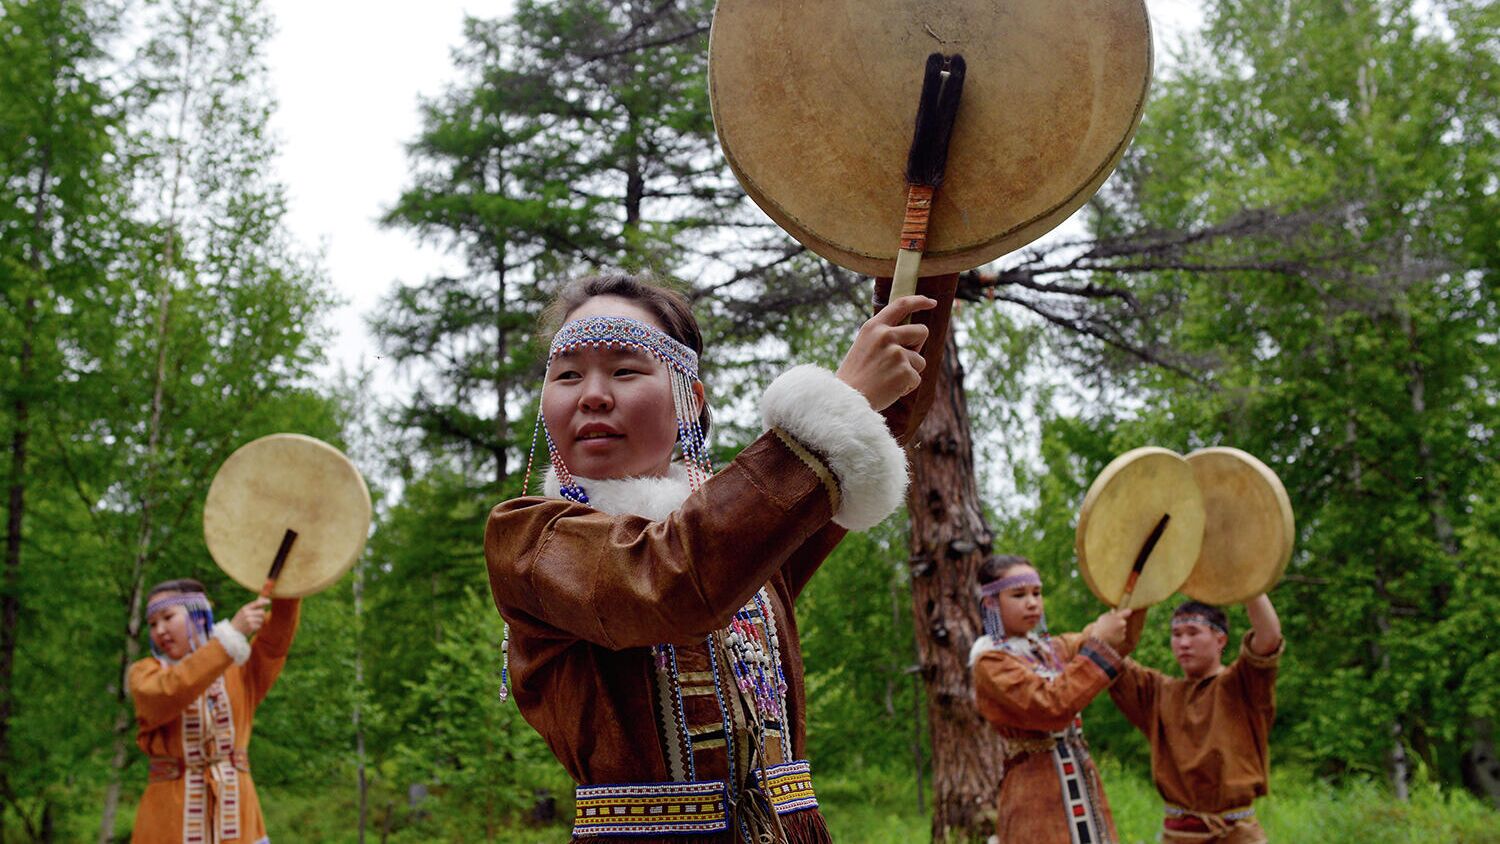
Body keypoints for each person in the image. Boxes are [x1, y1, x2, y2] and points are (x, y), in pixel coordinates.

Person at [484, 272, 955, 842]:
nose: (592, 394)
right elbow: (670, 582)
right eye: (566, 375)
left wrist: (931, 253)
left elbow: (890, 413)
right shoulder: (529, 540)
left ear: (690, 397)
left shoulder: (747, 523)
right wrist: (839, 405)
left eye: (625, 369)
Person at [970, 554, 1135, 844]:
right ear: (991, 604)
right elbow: (1051, 706)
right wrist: (1099, 642)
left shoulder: (1050, 649)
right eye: (1019, 595)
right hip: (1034, 795)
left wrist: (1136, 590)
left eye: (1037, 593)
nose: (1032, 602)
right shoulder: (991, 664)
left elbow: (1114, 640)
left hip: (1082, 787)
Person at [129, 579, 300, 844]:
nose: (159, 630)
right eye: (152, 624)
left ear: (198, 616)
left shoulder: (240, 669)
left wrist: (291, 583)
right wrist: (230, 636)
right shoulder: (144, 675)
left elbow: (276, 638)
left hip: (238, 816)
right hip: (168, 820)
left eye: (167, 617)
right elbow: (171, 690)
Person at [1107, 596, 1284, 843]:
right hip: (1178, 836)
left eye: (1193, 632)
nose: (1183, 643)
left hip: (1236, 836)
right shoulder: (1157, 693)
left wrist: (1250, 585)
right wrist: (1137, 591)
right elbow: (1107, 653)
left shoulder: (1242, 684)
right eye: (1176, 634)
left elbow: (1269, 637)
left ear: (1220, 640)